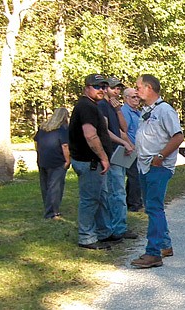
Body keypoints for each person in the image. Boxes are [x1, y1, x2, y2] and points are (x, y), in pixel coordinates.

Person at [131, 74, 184, 269]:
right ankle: (164, 245)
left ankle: (153, 253)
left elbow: (178, 137)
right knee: (153, 206)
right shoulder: (147, 111)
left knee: (154, 208)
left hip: (158, 167)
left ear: (149, 88)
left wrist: (160, 156)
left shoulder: (164, 111)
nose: (136, 91)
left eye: (138, 87)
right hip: (145, 165)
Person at [68, 73, 113, 250]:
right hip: (90, 162)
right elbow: (90, 135)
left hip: (92, 162)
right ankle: (86, 237)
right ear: (87, 87)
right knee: (90, 200)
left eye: (103, 87)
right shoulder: (86, 106)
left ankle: (103, 233)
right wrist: (103, 158)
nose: (101, 90)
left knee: (100, 198)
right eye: (97, 87)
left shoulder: (92, 105)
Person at [98, 77, 138, 242]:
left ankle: (119, 227)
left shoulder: (113, 108)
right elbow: (105, 130)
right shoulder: (101, 106)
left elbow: (123, 129)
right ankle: (115, 229)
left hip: (118, 154)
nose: (117, 92)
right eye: (114, 89)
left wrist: (119, 111)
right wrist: (123, 142)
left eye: (119, 89)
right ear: (106, 89)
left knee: (118, 192)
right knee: (116, 193)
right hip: (111, 154)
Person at [34, 107, 70, 220]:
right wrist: (68, 160)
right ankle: (52, 213)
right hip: (57, 161)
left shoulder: (43, 128)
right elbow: (65, 146)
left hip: (43, 160)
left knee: (45, 186)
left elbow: (35, 141)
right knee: (55, 187)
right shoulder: (62, 129)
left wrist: (39, 153)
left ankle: (48, 208)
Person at [121, 87, 143, 212]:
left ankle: (130, 201)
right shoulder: (125, 112)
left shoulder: (137, 112)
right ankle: (135, 204)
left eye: (137, 97)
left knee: (134, 176)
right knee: (135, 176)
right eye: (133, 97)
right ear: (126, 98)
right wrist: (130, 145)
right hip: (130, 149)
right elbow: (123, 131)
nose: (136, 99)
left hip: (138, 149)